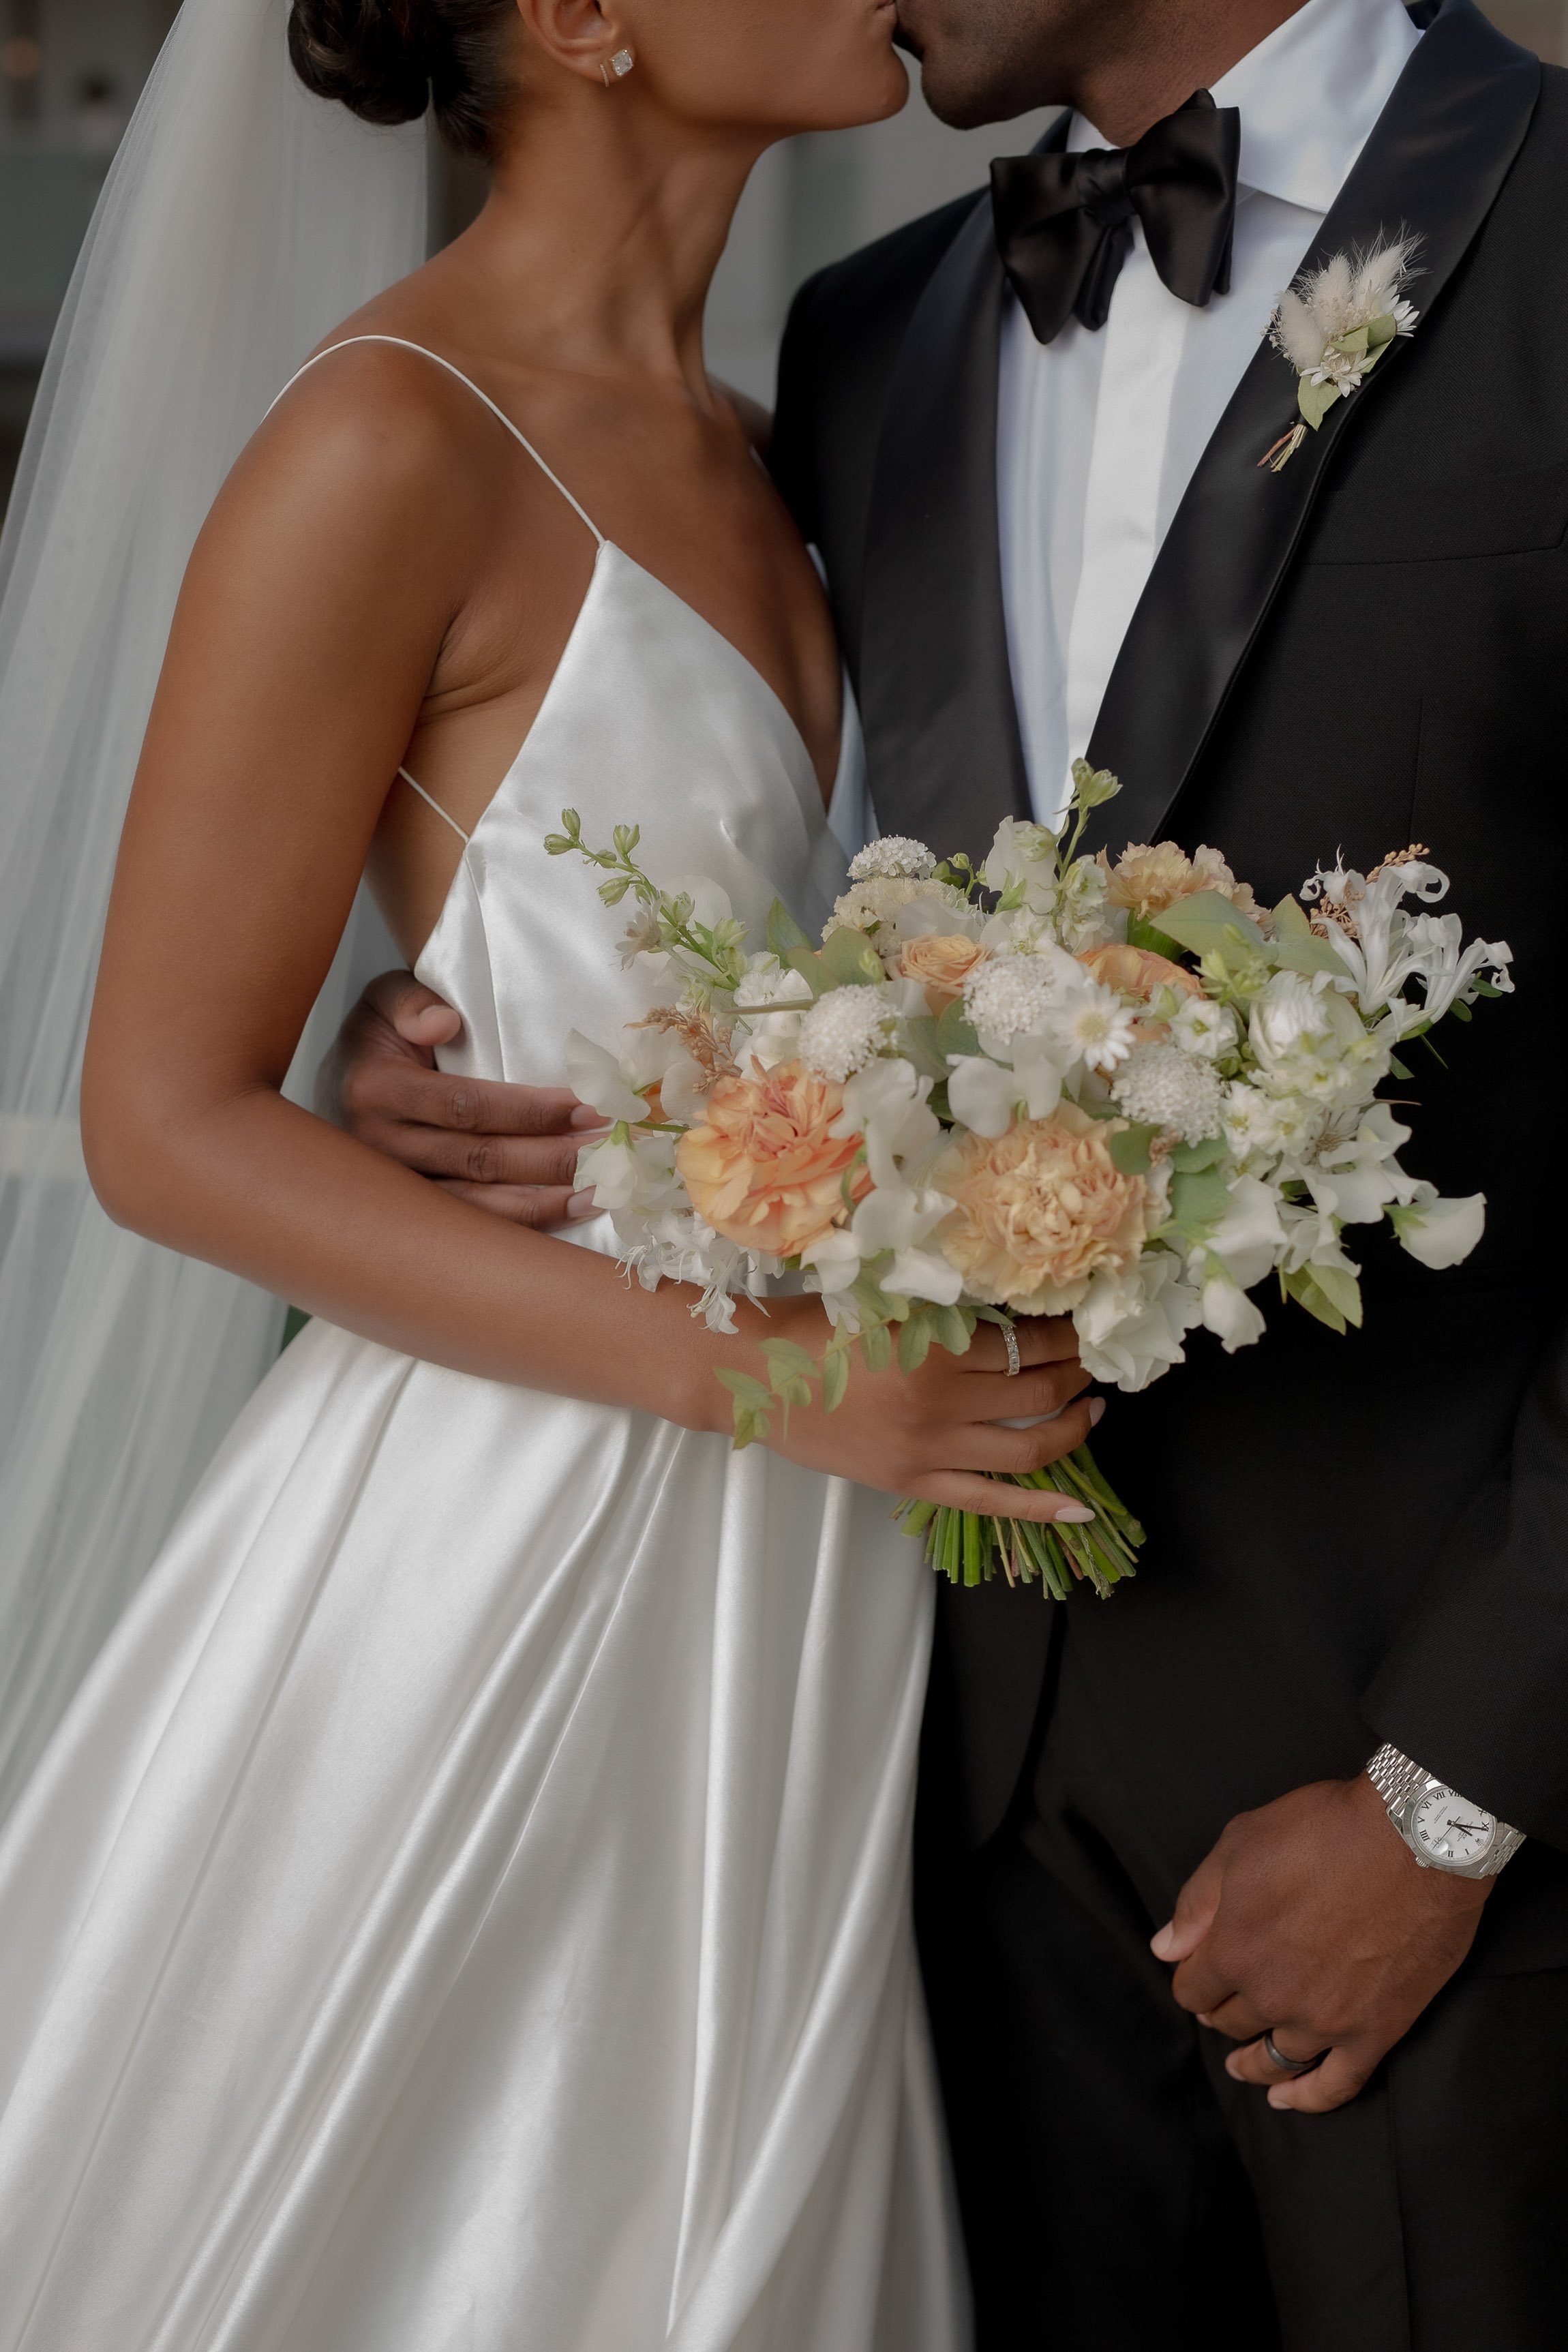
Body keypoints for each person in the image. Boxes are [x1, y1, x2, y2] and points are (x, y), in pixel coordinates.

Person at [338, 0, 1568, 2344]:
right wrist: (422, 1028)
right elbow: (779, 887)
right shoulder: (867, 338)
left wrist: (1450, 1792)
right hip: (891, 1808)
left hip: (1449, 1833)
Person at [0, 0, 1112, 2342]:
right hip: (522, 1527)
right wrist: (781, 1385)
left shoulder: (789, 424)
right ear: (579, 18)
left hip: (821, 1565)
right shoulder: (386, 439)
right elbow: (159, 1122)